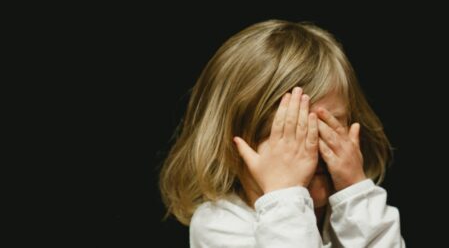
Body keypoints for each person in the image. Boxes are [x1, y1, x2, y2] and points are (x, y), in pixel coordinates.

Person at [159, 20, 406, 247]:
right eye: (290, 133)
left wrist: (356, 194)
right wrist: (285, 196)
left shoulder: (353, 211)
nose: (311, 147)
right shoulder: (219, 224)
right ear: (232, 145)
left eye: (327, 126)